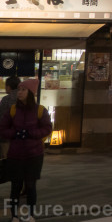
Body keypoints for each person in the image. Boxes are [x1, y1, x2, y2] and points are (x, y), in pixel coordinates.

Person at [0, 78, 52, 222]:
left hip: (34, 154)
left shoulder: (40, 110)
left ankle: (30, 215)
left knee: (30, 186)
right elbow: (2, 128)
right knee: (15, 186)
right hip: (15, 154)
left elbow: (47, 128)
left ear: (31, 92)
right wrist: (14, 134)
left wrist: (31, 134)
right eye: (19, 89)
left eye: (23, 89)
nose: (19, 92)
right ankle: (14, 216)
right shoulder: (13, 110)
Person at [0, 77, 20, 161]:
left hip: (7, 134)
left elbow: (2, 116)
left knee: (6, 157)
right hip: (20, 134)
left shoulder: (6, 99)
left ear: (8, 87)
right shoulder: (24, 97)